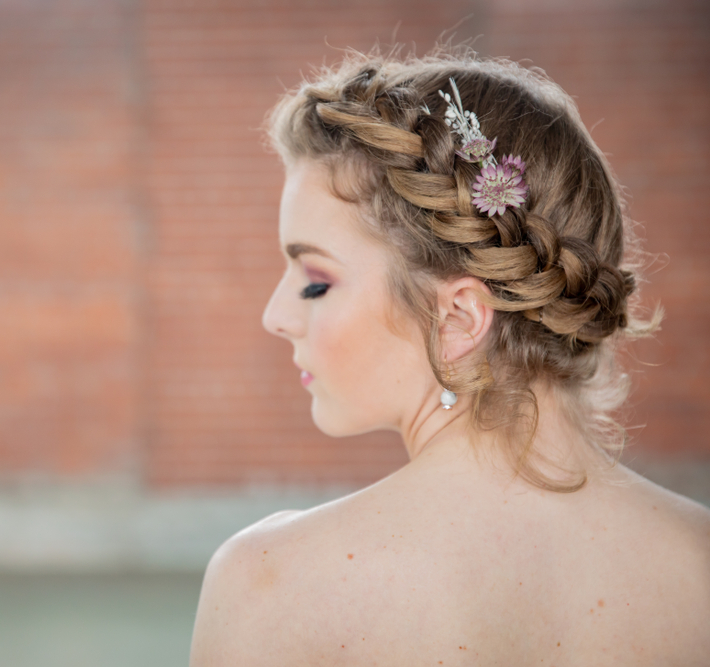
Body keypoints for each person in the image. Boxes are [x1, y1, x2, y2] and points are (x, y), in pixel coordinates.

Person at [188, 49, 710, 665]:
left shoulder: (270, 584)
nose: (275, 316)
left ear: (460, 317)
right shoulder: (698, 563)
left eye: (316, 283)